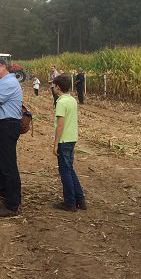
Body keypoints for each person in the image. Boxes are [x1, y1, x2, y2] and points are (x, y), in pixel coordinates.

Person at [0, 56, 24, 217]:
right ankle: (3, 194)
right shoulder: (2, 82)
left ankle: (12, 205)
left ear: (3, 66)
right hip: (1, 126)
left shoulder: (8, 82)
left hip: (7, 125)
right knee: (0, 163)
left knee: (7, 165)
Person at [52, 74, 86, 211]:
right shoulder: (72, 100)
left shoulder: (61, 102)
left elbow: (60, 124)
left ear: (58, 87)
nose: (53, 88)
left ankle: (70, 202)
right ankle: (80, 200)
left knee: (65, 171)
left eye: (54, 86)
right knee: (70, 169)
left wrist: (55, 143)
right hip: (72, 139)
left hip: (64, 140)